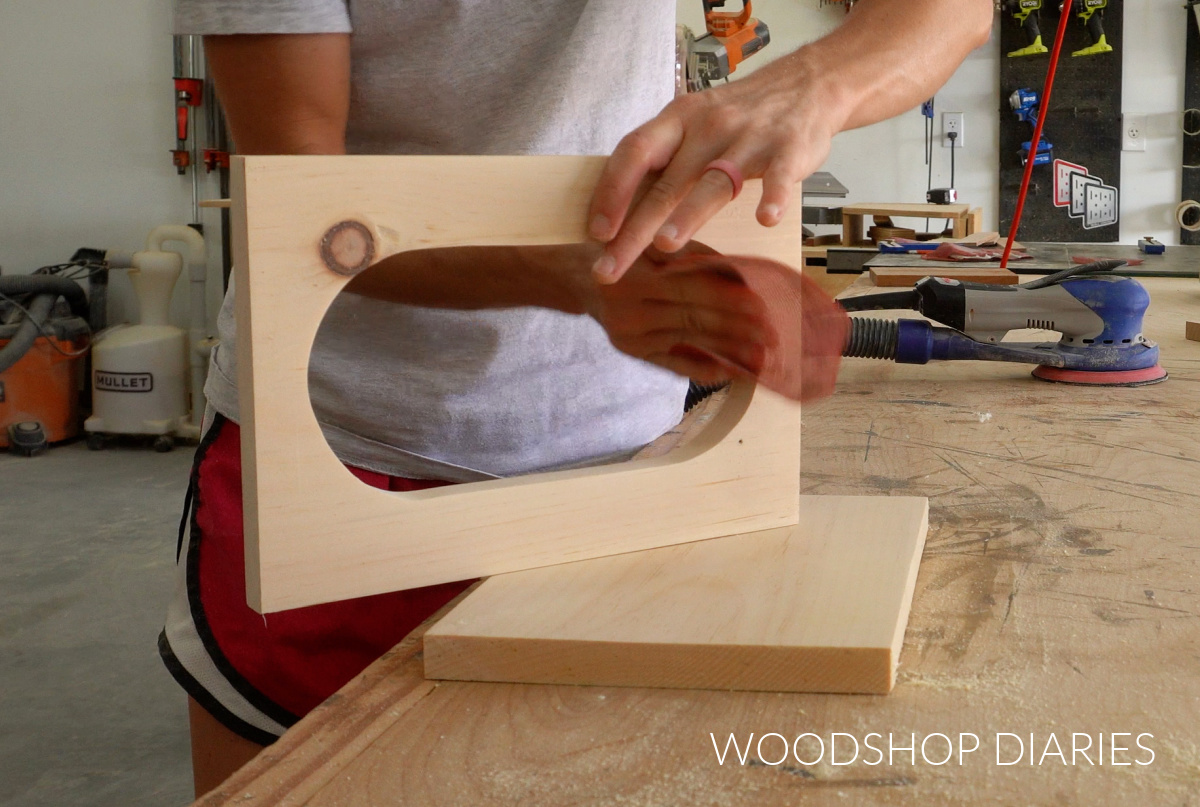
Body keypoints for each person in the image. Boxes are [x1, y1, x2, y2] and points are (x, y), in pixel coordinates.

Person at [161, 0, 993, 795]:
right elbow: (304, 197)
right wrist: (582, 280)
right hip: (365, 451)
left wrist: (817, 82)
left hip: (637, 467)